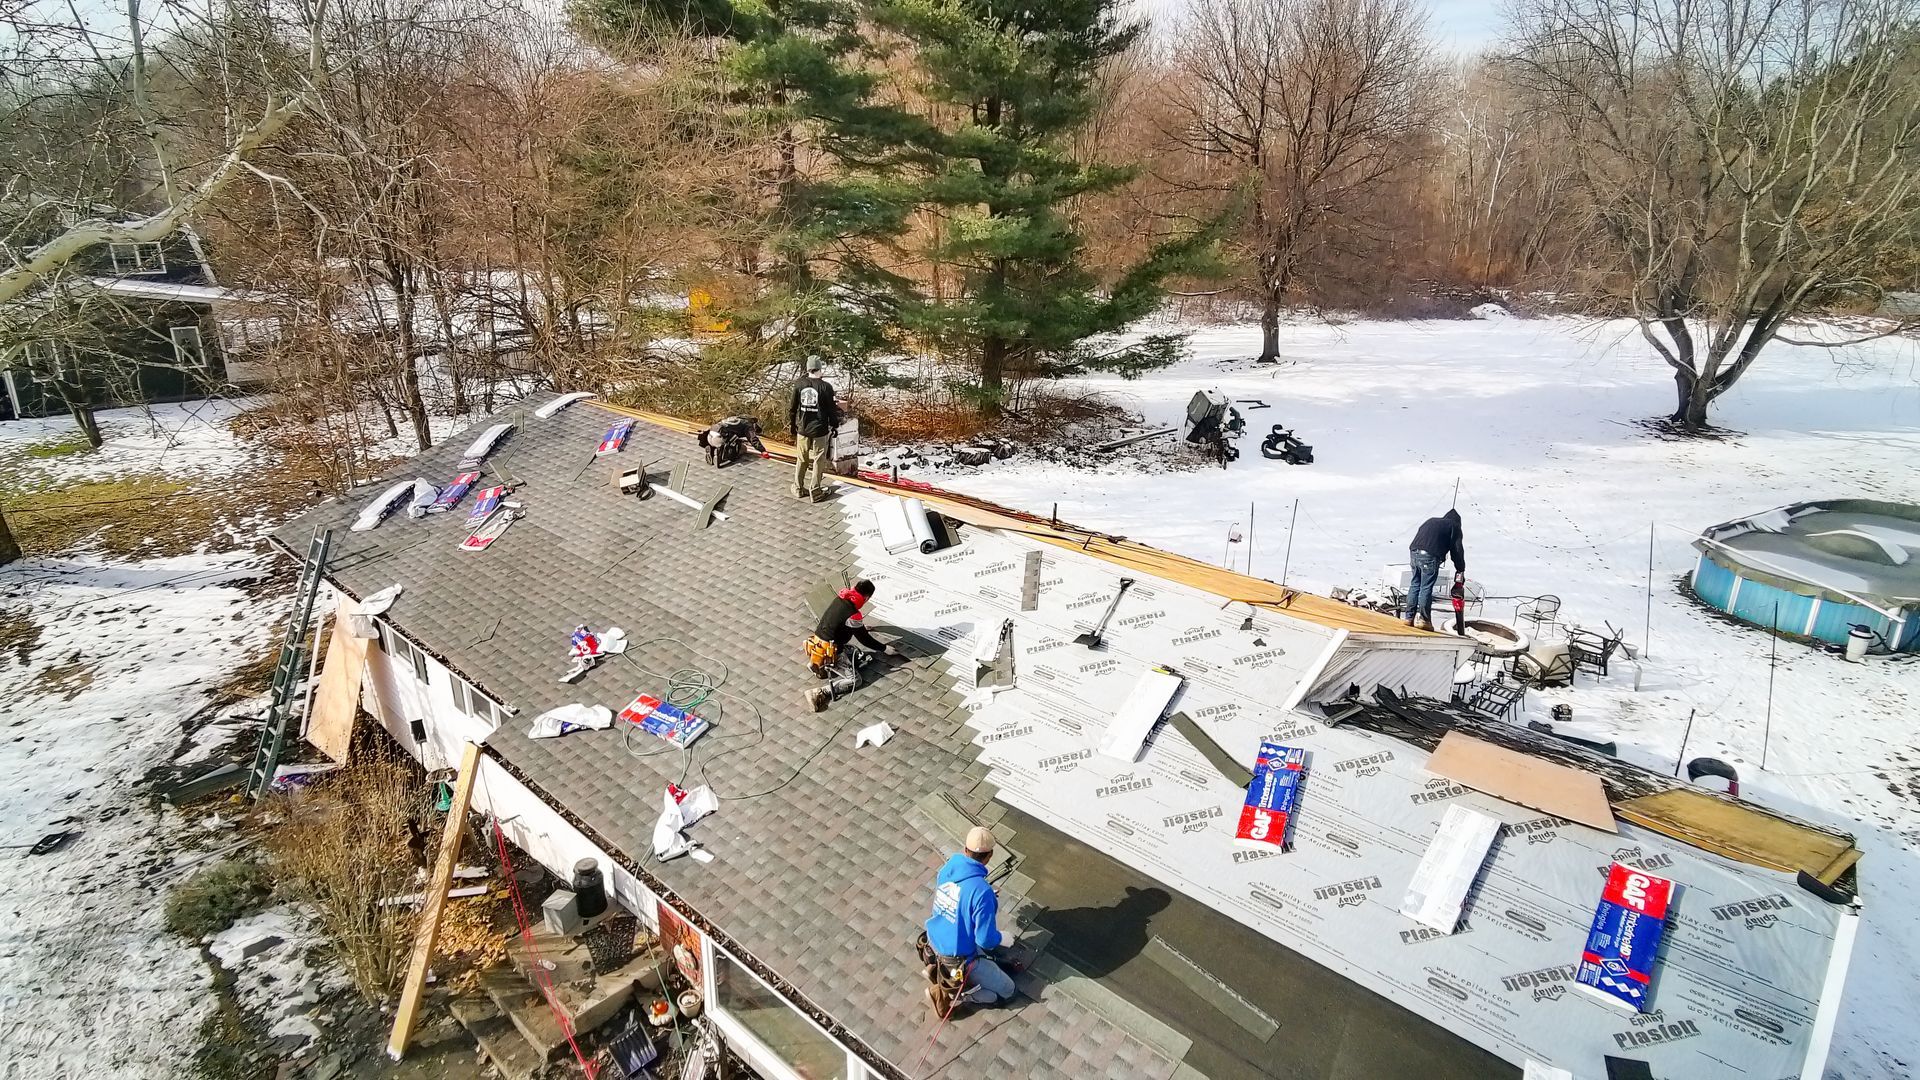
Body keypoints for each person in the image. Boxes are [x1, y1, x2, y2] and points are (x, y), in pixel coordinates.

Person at [924, 826, 1018, 1017]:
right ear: (989, 855)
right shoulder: (981, 892)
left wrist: (981, 898)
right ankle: (952, 995)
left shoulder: (949, 867)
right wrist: (1002, 938)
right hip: (959, 959)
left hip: (934, 941)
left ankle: (936, 971)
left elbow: (957, 899)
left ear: (965, 848)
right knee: (1008, 992)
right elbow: (985, 940)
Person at [804, 579, 893, 711]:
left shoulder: (841, 598)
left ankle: (819, 665)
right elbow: (864, 639)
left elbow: (839, 620)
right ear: (866, 598)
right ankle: (820, 692)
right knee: (855, 680)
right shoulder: (853, 615)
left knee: (855, 652)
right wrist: (884, 648)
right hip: (833, 651)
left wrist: (860, 627)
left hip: (817, 644)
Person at [1405, 509, 1466, 631]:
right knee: (1425, 587)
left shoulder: (1432, 520)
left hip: (1414, 551)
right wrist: (1460, 568)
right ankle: (1424, 620)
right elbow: (1457, 550)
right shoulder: (1454, 526)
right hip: (1429, 555)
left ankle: (1409, 617)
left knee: (1415, 584)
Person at [788, 356, 839, 501]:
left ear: (808, 368)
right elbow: (831, 410)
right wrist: (834, 425)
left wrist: (793, 425)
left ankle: (798, 488)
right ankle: (815, 491)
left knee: (801, 458)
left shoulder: (799, 384)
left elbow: (792, 408)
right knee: (818, 459)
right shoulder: (825, 387)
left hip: (803, 429)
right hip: (819, 431)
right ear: (819, 369)